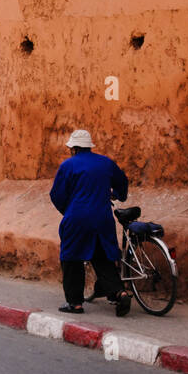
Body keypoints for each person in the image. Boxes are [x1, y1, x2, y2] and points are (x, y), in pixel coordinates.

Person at [49, 129, 131, 316]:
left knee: (71, 259)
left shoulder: (68, 166)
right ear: (89, 146)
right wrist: (117, 195)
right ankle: (120, 292)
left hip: (77, 218)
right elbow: (122, 182)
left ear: (74, 148)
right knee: (102, 258)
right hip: (103, 217)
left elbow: (56, 195)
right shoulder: (105, 163)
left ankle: (75, 303)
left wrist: (68, 211)